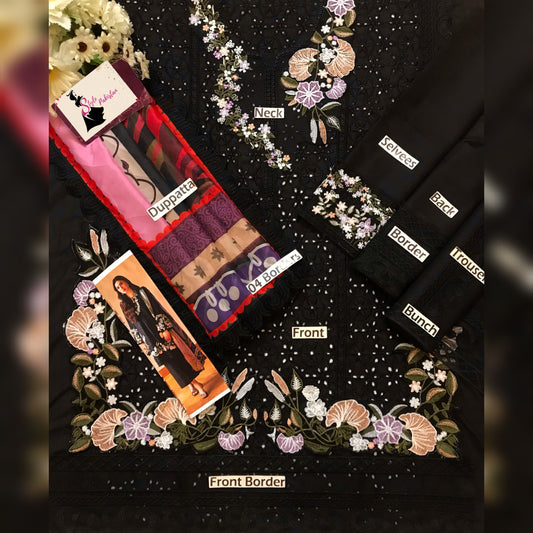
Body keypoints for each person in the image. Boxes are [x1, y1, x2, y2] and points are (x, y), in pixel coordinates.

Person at [112, 276, 208, 398]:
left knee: (177, 358)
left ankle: (195, 385)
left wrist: (164, 329)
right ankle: (195, 385)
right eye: (118, 288)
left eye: (121, 283)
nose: (121, 287)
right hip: (149, 339)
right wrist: (140, 342)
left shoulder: (142, 292)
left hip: (159, 331)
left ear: (127, 281)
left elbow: (157, 309)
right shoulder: (124, 305)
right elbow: (132, 325)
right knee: (170, 365)